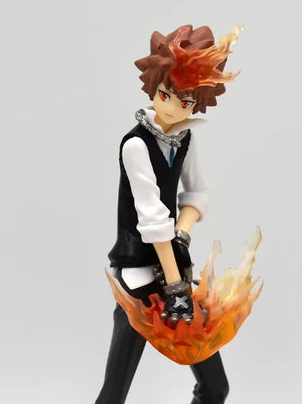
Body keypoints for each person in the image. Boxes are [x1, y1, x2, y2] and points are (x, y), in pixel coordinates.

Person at [96, 24, 241, 404]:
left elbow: (197, 192)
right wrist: (177, 290)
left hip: (173, 269)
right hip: (141, 280)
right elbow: (153, 222)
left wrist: (183, 233)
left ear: (196, 104)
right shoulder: (135, 145)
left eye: (186, 102)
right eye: (166, 95)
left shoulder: (185, 137)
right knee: (114, 394)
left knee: (215, 388)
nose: (173, 107)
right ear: (155, 89)